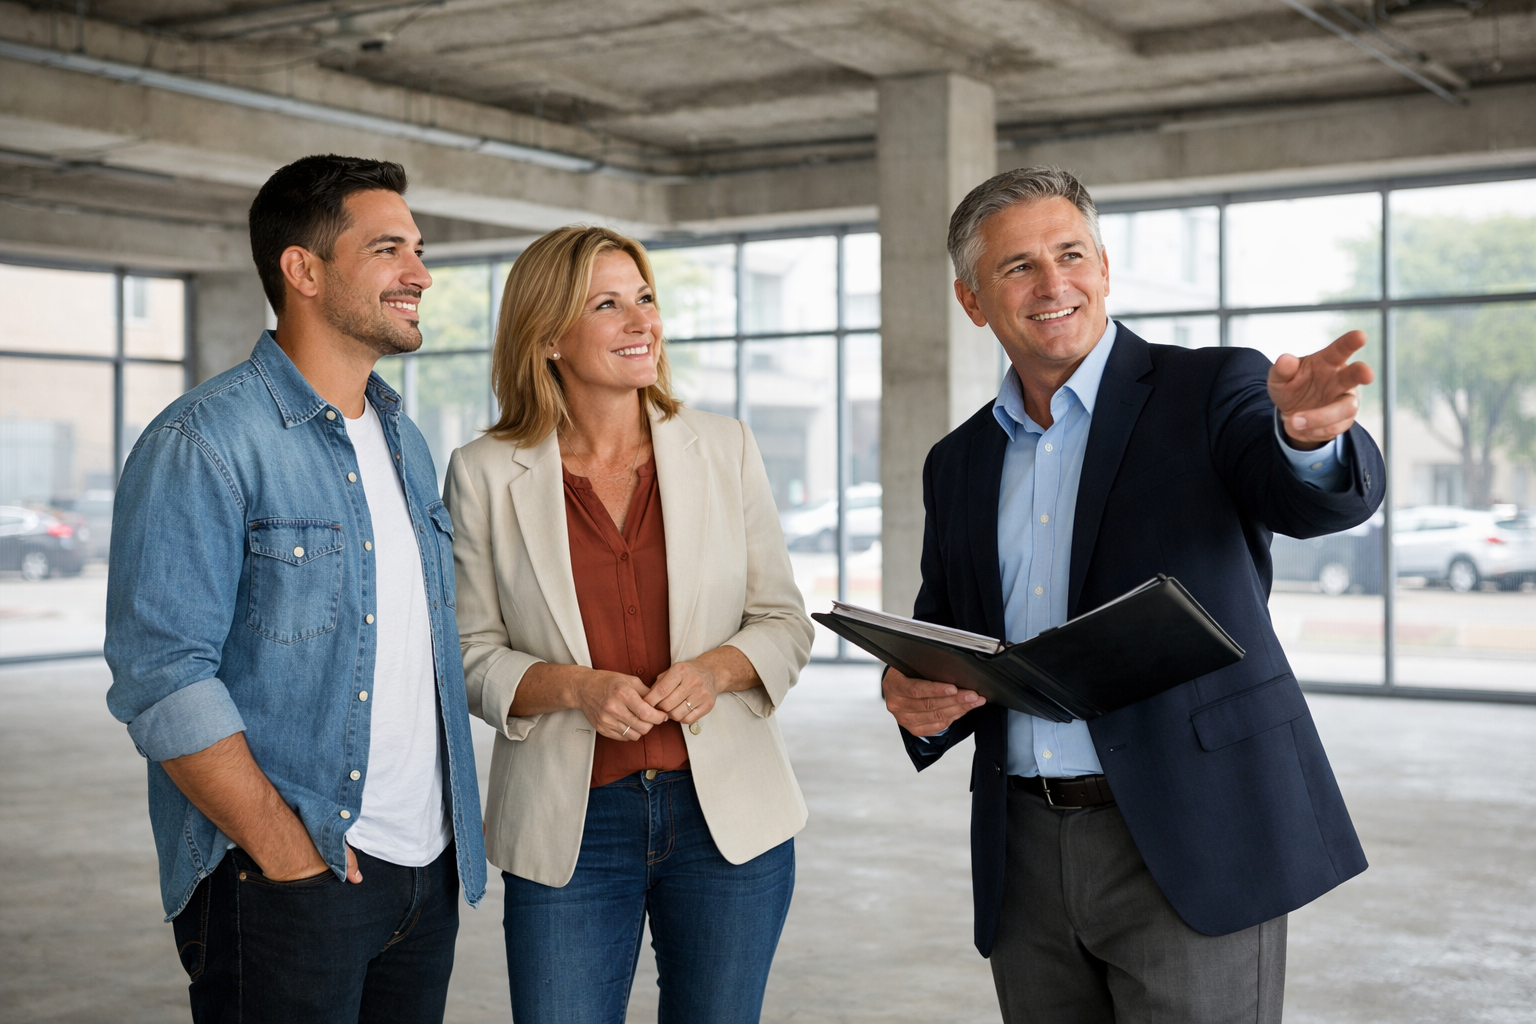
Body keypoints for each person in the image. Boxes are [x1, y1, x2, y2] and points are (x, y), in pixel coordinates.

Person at [881, 166, 1384, 1023]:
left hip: (1195, 833)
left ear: (1105, 268)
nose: (1053, 284)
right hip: (1023, 850)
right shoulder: (957, 461)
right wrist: (911, 693)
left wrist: (1306, 442)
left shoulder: (1211, 388)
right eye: (1018, 267)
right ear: (972, 301)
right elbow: (947, 632)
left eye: (1071, 254)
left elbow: (1303, 500)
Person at [104, 154, 486, 1024]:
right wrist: (286, 853)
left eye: (418, 250)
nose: (421, 274)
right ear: (303, 270)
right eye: (389, 250)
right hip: (286, 881)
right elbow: (163, 678)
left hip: (422, 872)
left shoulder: (404, 439)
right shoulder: (204, 440)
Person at [443, 225, 814, 1024]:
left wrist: (716, 671)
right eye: (607, 305)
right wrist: (575, 689)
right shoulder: (482, 473)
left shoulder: (726, 448)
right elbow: (467, 654)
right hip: (568, 826)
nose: (642, 320)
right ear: (548, 336)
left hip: (727, 818)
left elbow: (784, 621)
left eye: (644, 298)